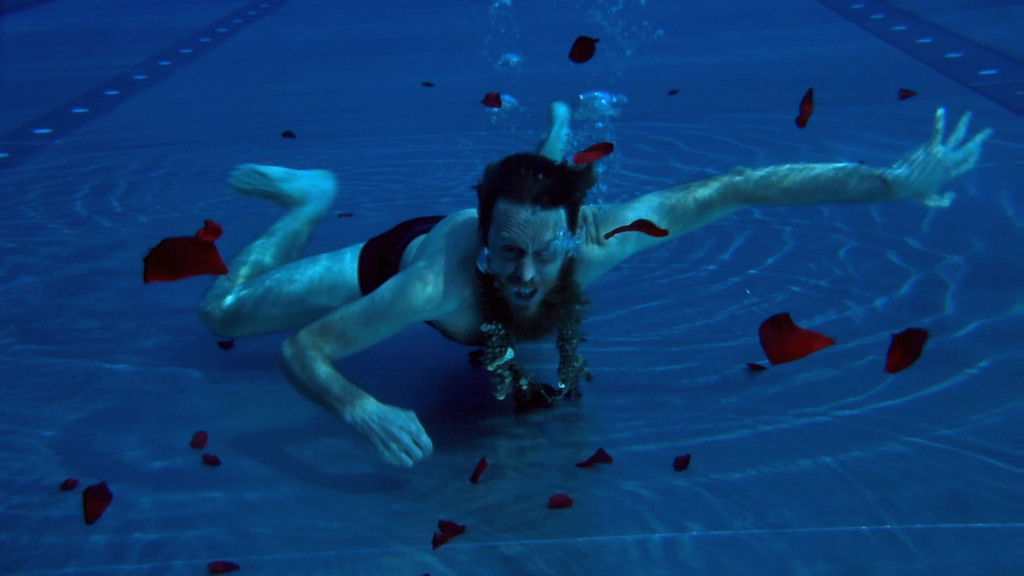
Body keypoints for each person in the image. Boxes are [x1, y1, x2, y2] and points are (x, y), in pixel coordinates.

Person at [198, 102, 991, 467]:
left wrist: (888, 183)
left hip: (529, 217)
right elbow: (303, 351)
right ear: (487, 241)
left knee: (536, 230)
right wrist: (361, 407)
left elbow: (736, 187)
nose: (527, 276)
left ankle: (549, 148)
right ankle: (310, 200)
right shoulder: (430, 285)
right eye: (508, 254)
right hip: (398, 253)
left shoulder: (602, 239)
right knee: (222, 312)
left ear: (577, 236)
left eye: (546, 254)